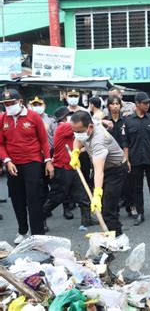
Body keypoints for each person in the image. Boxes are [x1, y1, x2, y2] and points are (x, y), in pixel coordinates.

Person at [0, 89, 53, 244]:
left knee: (34, 199)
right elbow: (1, 144)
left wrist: (48, 160)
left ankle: (38, 235)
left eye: (11, 103)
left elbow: (44, 140)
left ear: (20, 101)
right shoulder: (3, 119)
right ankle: (22, 231)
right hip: (13, 164)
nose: (9, 106)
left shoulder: (33, 116)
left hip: (33, 162)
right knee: (17, 199)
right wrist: (7, 161)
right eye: (5, 104)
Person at [69, 111, 126, 236]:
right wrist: (75, 152)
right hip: (104, 167)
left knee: (106, 209)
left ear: (90, 127)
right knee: (109, 207)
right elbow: (78, 139)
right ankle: (117, 232)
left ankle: (114, 242)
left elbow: (98, 171)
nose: (76, 134)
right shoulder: (90, 122)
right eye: (74, 131)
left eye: (79, 131)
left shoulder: (98, 141)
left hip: (115, 170)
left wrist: (97, 195)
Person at [43, 107, 98, 231]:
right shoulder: (64, 127)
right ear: (64, 118)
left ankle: (87, 219)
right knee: (57, 196)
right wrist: (101, 120)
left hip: (72, 167)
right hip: (62, 168)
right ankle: (40, 218)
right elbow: (88, 124)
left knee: (82, 194)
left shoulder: (71, 130)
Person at [123, 92, 150, 225]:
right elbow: (125, 142)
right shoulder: (128, 121)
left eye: (148, 103)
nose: (147, 105)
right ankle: (140, 213)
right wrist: (126, 159)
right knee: (137, 188)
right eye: (145, 103)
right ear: (137, 104)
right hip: (135, 159)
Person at [105, 95, 134, 217]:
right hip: (109, 158)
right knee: (112, 187)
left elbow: (127, 140)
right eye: (113, 104)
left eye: (117, 104)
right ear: (108, 106)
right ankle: (114, 210)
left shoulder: (126, 121)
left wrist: (127, 158)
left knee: (128, 185)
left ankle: (130, 207)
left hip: (124, 155)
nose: (115, 106)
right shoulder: (105, 121)